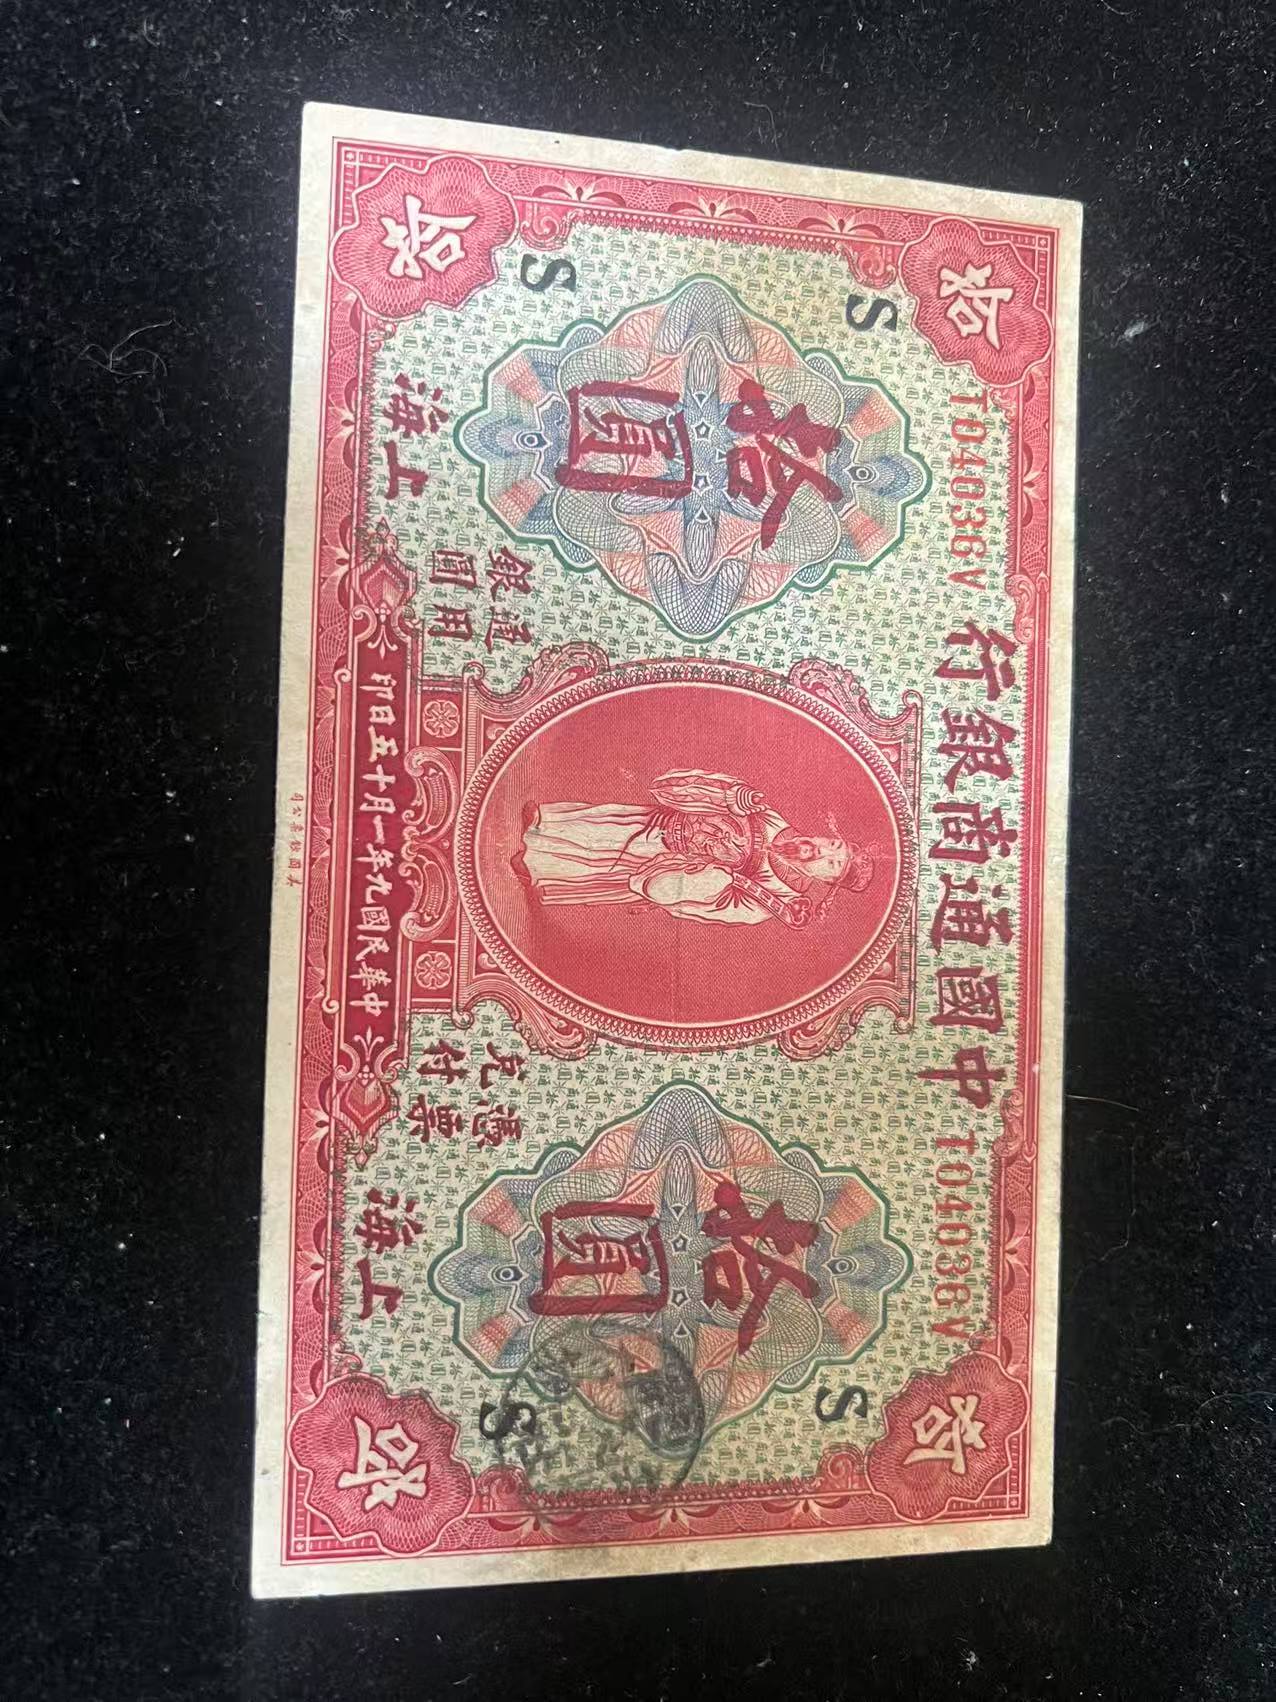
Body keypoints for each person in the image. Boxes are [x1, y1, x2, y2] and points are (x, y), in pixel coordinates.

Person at [512, 769, 876, 927]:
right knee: (606, 822)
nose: (822, 851)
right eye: (834, 845)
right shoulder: (772, 818)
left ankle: (540, 866)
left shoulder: (778, 898)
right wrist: (731, 796)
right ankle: (547, 822)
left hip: (664, 864)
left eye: (832, 864)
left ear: (827, 883)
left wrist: (714, 875)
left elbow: (711, 907)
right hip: (663, 822)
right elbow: (677, 788)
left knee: (604, 861)